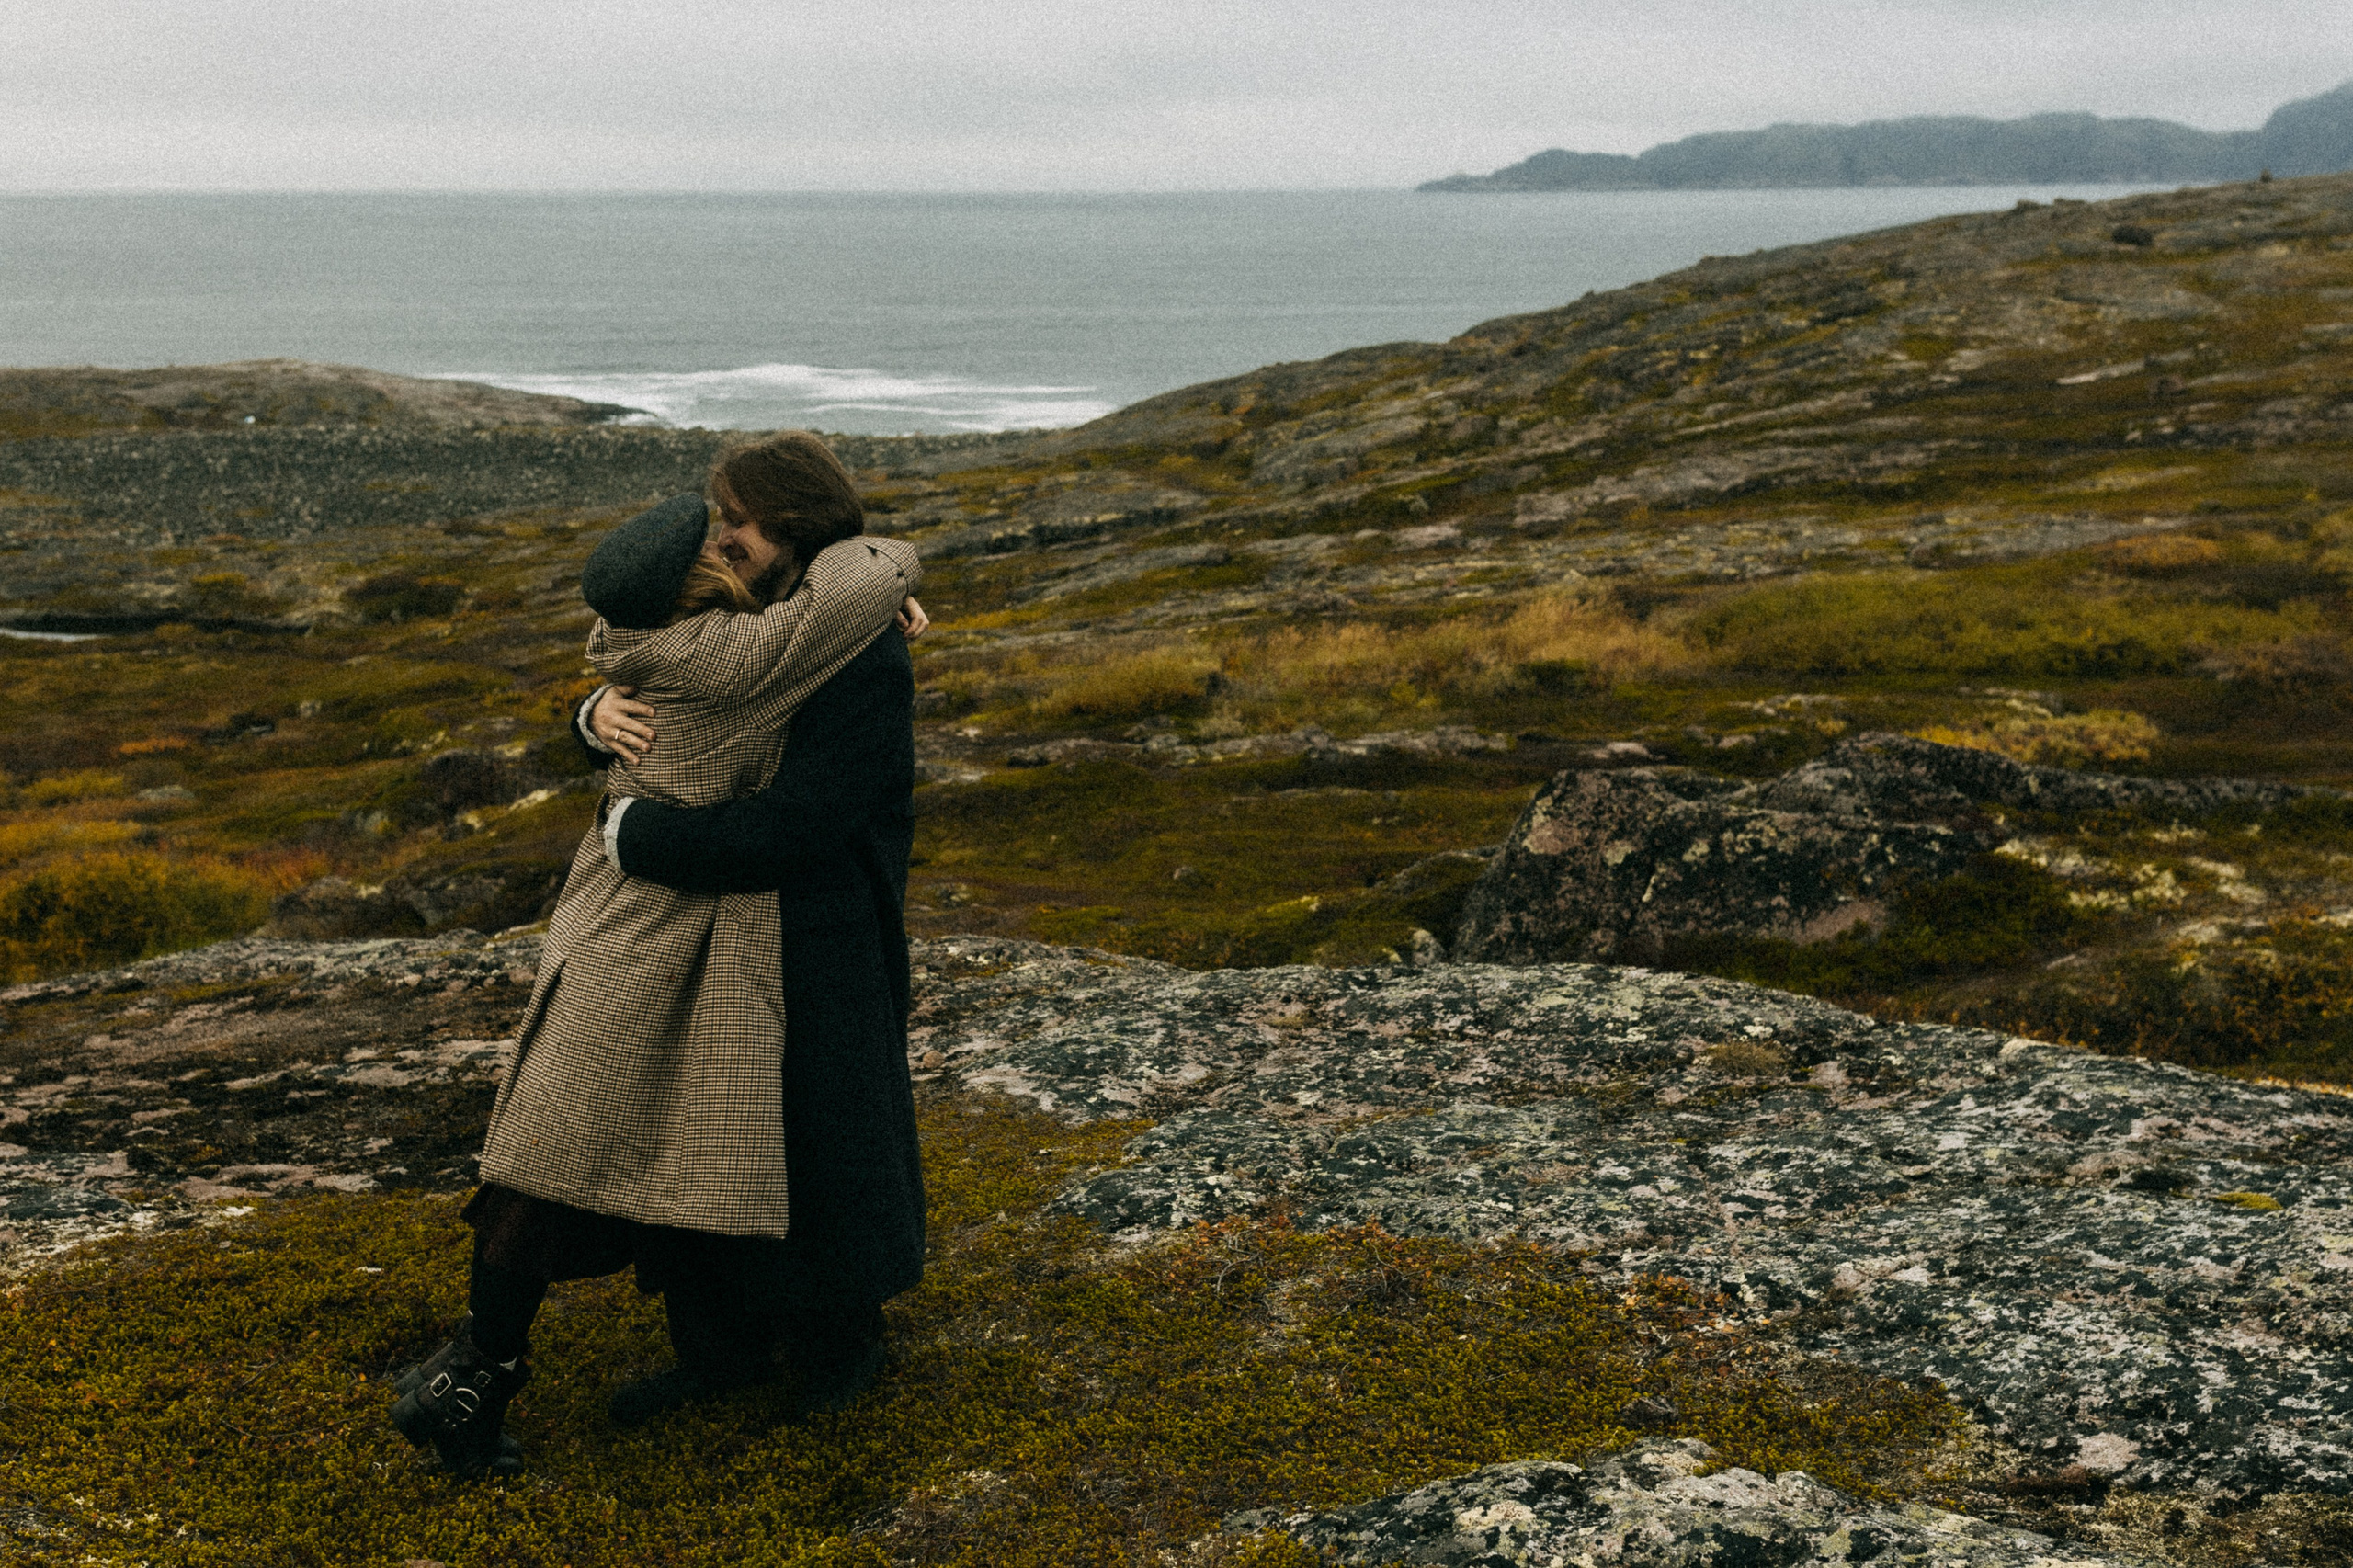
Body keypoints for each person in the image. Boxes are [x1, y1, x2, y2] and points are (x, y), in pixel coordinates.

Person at [392, 434, 926, 1477]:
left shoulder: (850, 646)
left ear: (799, 525)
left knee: (816, 1146)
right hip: (696, 923)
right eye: (719, 517)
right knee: (710, 1146)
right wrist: (592, 720)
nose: (721, 536)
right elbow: (666, 701)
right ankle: (721, 1351)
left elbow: (807, 823)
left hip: (815, 928)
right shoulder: (766, 622)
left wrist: (636, 830)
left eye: (742, 520)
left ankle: (835, 1349)